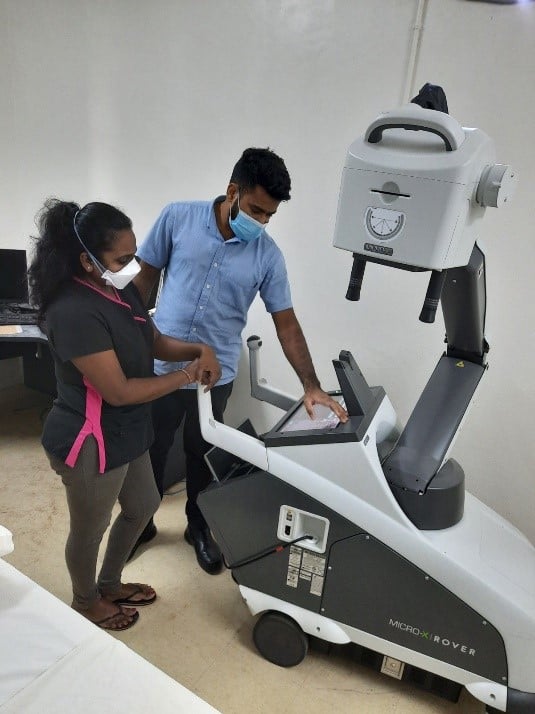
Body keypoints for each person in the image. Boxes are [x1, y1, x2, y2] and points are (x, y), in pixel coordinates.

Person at [133, 147, 348, 575]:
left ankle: (198, 527)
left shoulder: (267, 256)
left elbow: (287, 324)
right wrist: (129, 338)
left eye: (269, 215)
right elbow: (144, 280)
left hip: (215, 375)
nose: (261, 222)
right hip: (162, 365)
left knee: (202, 453)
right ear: (233, 191)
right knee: (150, 447)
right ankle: (140, 522)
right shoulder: (177, 218)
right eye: (255, 210)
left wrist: (311, 385)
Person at [28, 199, 220, 630]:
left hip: (127, 428)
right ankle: (85, 601)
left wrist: (199, 349)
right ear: (87, 260)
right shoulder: (72, 311)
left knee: (144, 504)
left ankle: (110, 584)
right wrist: (186, 375)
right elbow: (117, 391)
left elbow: (153, 341)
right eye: (123, 259)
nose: (133, 266)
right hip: (89, 438)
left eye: (133, 255)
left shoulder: (119, 289)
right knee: (90, 528)